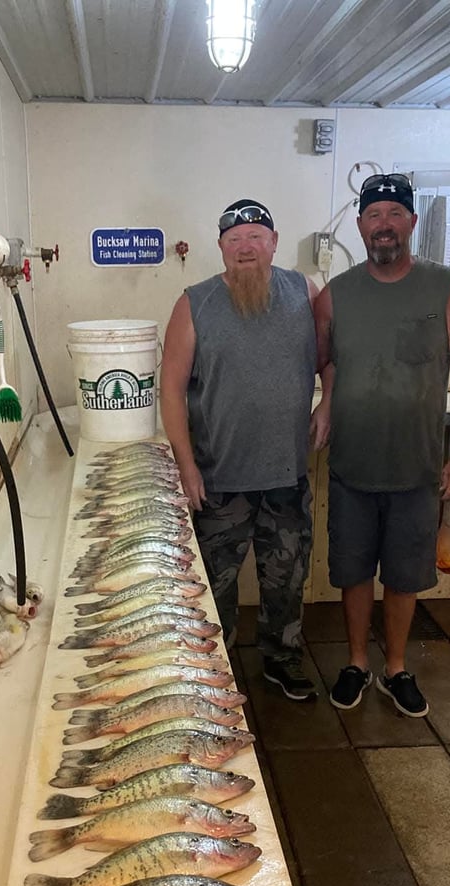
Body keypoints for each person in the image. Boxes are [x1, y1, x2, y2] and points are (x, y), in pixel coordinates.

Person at [313, 172, 450, 717]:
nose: (383, 225)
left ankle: (395, 668)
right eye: (373, 215)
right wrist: (326, 399)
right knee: (354, 571)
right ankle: (357, 662)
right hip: (352, 467)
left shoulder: (448, 287)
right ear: (361, 225)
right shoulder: (336, 295)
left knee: (406, 577)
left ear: (411, 223)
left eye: (394, 214)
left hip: (417, 469)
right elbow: (325, 361)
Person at [160, 198, 319, 701]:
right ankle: (214, 672)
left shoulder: (304, 293)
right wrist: (186, 466)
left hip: (286, 478)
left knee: (287, 581)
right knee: (213, 589)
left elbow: (332, 356)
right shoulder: (194, 303)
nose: (246, 247)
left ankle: (282, 659)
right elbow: (170, 388)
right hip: (219, 481)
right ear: (222, 249)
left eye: (256, 236)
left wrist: (330, 399)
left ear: (273, 242)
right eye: (234, 239)